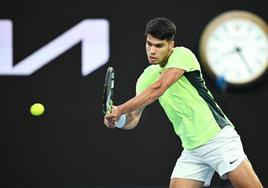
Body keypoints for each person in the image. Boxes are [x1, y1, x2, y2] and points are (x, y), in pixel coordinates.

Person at [104, 17, 263, 188]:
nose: (152, 51)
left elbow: (159, 87)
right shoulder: (146, 78)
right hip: (192, 150)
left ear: (171, 45)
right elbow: (133, 118)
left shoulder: (183, 55)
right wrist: (117, 120)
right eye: (149, 44)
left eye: (159, 46)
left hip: (218, 139)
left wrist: (120, 108)